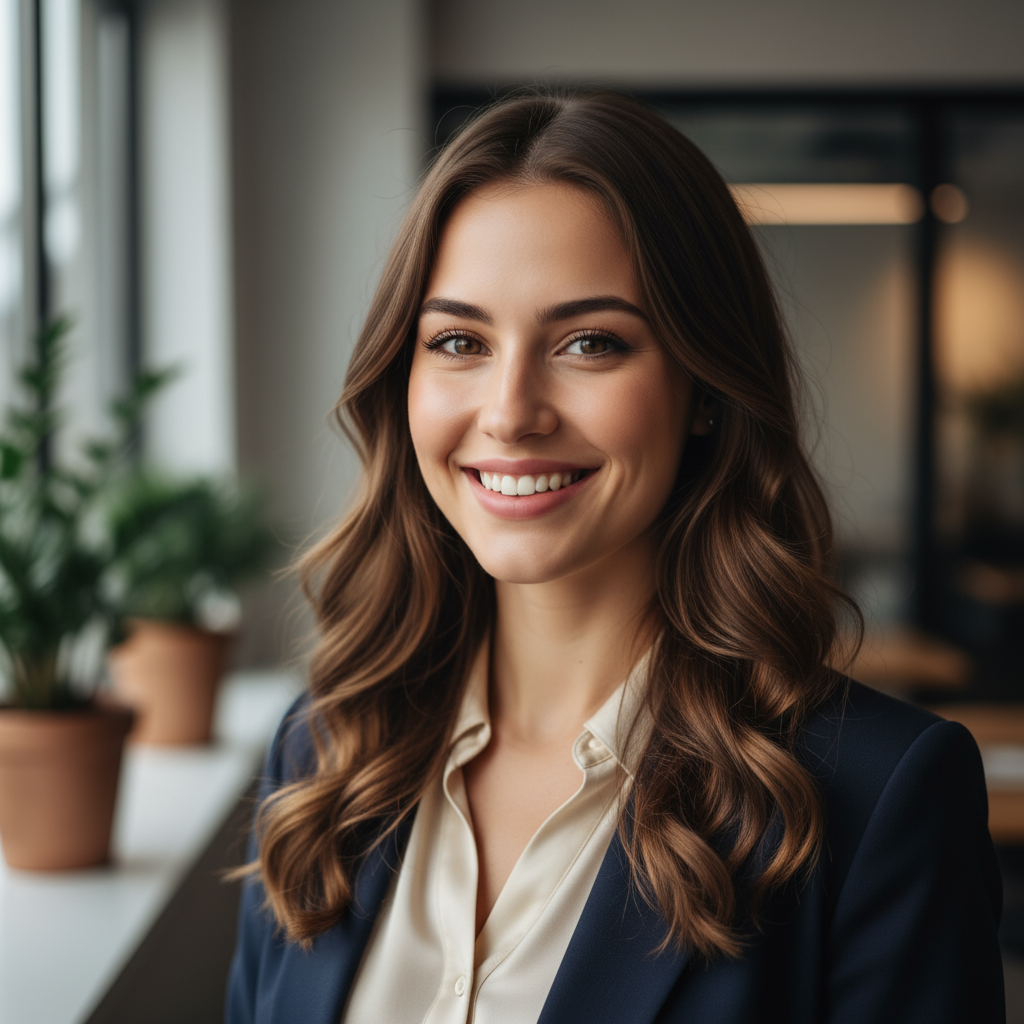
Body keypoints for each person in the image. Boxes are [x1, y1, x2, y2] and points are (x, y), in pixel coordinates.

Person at [226, 91, 1004, 1024]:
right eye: (459, 341)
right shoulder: (322, 749)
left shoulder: (876, 798)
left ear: (705, 389)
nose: (512, 411)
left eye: (591, 343)